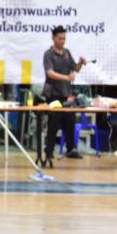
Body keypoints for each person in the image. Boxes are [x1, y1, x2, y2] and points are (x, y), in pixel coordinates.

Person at [42, 25, 88, 162]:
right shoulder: (48, 54)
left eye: (64, 38)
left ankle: (71, 149)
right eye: (60, 38)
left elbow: (75, 69)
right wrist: (66, 77)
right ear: (53, 38)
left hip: (67, 93)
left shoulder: (67, 53)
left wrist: (80, 63)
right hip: (53, 94)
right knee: (54, 123)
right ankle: (49, 150)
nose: (62, 41)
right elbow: (50, 73)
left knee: (70, 121)